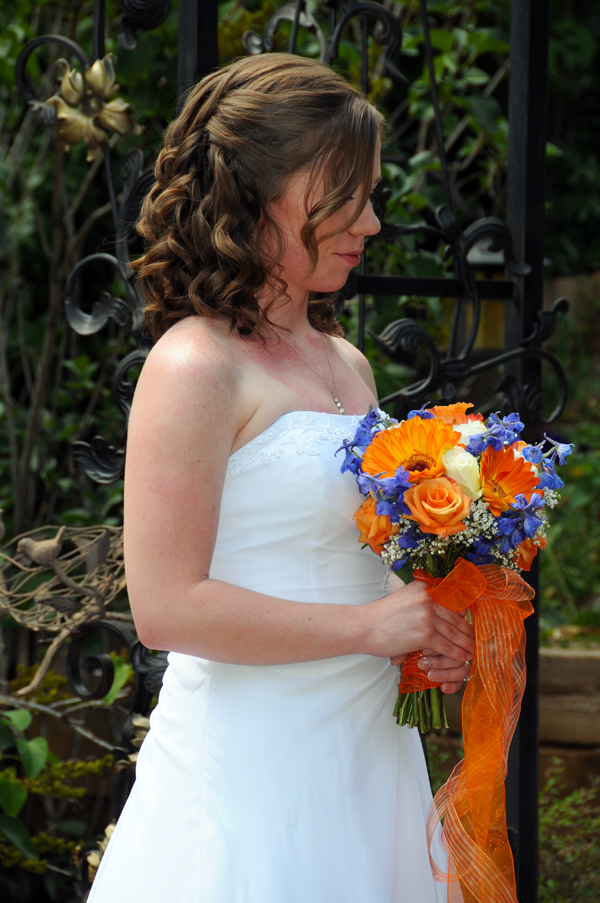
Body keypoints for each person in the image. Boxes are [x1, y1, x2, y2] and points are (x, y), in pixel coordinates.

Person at [88, 53, 473, 903]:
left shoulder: (349, 361)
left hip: (370, 752)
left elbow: (356, 562)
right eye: (348, 194)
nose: (371, 221)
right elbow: (166, 607)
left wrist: (423, 627)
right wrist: (373, 626)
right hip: (253, 767)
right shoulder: (195, 365)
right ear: (260, 186)